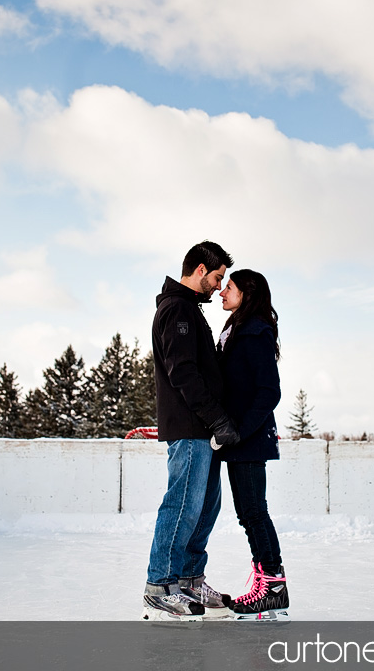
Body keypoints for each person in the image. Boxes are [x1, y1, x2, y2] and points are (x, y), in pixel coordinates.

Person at [142, 240, 240, 621]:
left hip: (205, 430)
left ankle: (188, 579)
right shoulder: (177, 309)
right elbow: (182, 371)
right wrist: (215, 417)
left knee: (205, 507)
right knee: (182, 504)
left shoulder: (190, 310)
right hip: (190, 428)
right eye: (217, 278)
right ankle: (159, 585)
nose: (219, 287)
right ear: (200, 269)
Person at [214, 269, 289, 620]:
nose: (221, 292)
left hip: (249, 439)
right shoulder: (237, 329)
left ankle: (273, 586)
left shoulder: (255, 331)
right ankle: (268, 583)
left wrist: (240, 432)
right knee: (250, 514)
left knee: (254, 513)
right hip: (240, 438)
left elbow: (268, 392)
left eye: (228, 287)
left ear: (247, 293)